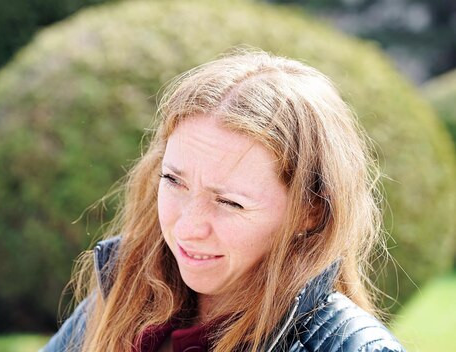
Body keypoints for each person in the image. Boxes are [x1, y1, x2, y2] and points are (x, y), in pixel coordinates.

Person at [41, 49, 405, 351]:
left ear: (311, 212)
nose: (188, 227)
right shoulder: (124, 293)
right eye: (173, 180)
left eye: (230, 202)